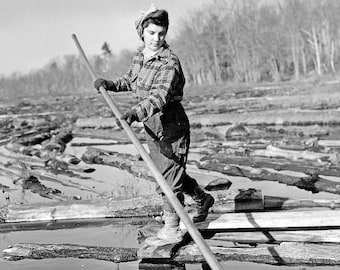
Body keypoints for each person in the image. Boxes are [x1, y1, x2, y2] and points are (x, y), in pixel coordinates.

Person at [94, 4, 214, 243]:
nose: (156, 39)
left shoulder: (169, 62)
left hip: (171, 125)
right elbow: (130, 80)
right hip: (152, 125)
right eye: (151, 33)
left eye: (161, 33)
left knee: (168, 181)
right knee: (167, 173)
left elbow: (158, 96)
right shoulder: (140, 55)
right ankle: (202, 198)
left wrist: (134, 113)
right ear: (142, 32)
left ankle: (171, 230)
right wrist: (110, 84)